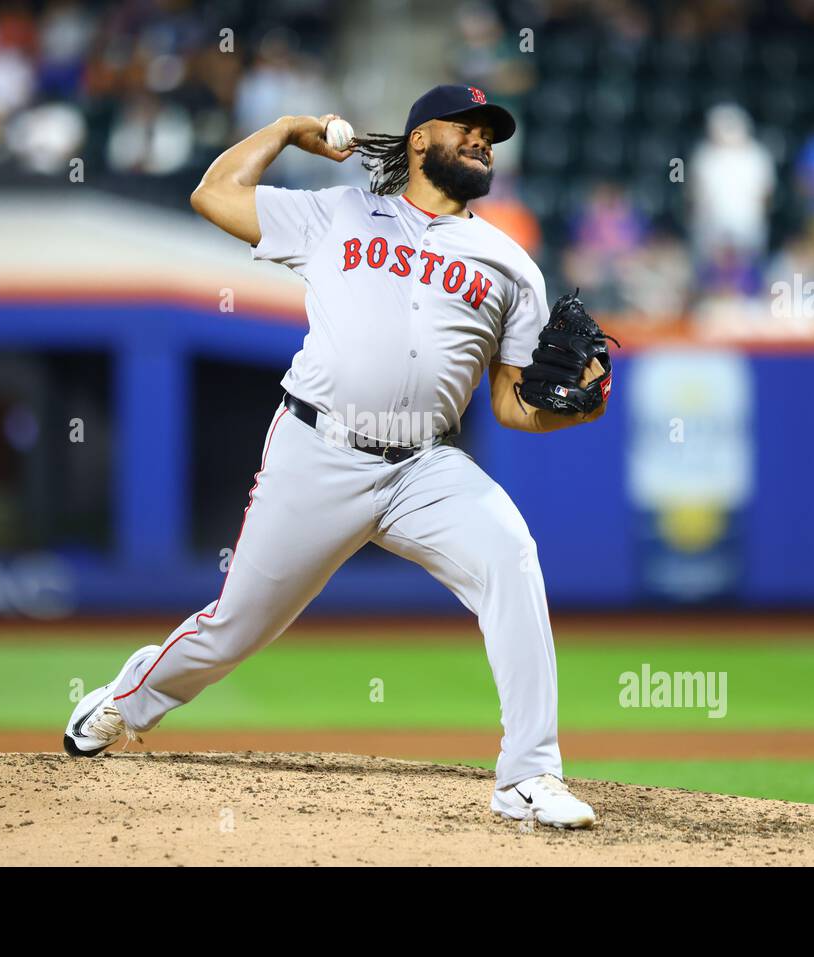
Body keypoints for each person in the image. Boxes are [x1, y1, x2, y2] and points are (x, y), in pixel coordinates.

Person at [63, 85, 609, 829]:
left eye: (492, 133)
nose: (484, 140)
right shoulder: (339, 212)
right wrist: (288, 129)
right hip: (318, 449)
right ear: (420, 141)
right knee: (236, 627)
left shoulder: (511, 264)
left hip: (424, 467)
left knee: (511, 554)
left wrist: (579, 409)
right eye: (469, 127)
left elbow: (513, 406)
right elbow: (214, 193)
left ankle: (528, 774)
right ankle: (128, 701)